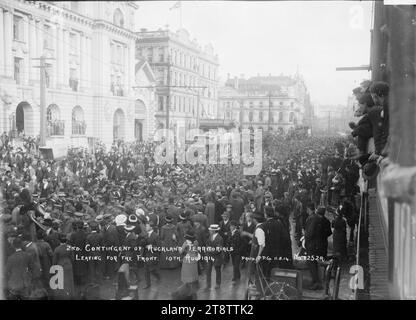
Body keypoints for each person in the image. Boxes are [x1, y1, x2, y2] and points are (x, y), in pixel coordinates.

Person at [52, 233, 75, 299]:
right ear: (66, 240)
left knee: (61, 282)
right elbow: (73, 258)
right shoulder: (70, 247)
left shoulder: (57, 249)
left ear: (59, 241)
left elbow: (54, 261)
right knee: (70, 281)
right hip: (68, 265)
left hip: (60, 266)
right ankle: (70, 294)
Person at [179, 230, 200, 295]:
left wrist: (179, 248)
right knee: (193, 276)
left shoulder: (185, 243)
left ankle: (187, 291)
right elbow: (197, 250)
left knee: (187, 277)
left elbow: (181, 251)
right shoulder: (196, 242)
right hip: (194, 260)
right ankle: (193, 290)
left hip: (187, 261)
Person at [205, 224, 223, 290]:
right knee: (208, 271)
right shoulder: (210, 236)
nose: (209, 231)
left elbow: (218, 250)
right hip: (209, 256)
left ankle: (218, 284)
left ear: (214, 231)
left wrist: (210, 249)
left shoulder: (220, 238)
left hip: (217, 257)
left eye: (210, 230)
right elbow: (207, 244)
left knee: (218, 271)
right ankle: (208, 285)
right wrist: (208, 248)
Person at [143, 221, 161, 289]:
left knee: (152, 270)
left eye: (147, 226)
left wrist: (152, 247)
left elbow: (159, 247)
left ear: (151, 227)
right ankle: (148, 284)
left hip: (153, 256)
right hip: (146, 255)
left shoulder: (156, 236)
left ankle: (157, 276)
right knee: (146, 271)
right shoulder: (146, 235)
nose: (145, 227)